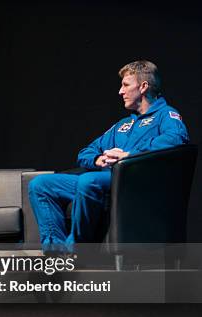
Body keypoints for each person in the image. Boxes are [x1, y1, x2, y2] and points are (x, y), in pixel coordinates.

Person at [28, 60, 189, 253]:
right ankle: (55, 252)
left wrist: (129, 155)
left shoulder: (167, 115)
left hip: (136, 184)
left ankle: (76, 250)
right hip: (107, 180)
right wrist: (98, 160)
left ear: (143, 86)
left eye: (126, 85)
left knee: (88, 181)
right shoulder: (123, 125)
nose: (120, 91)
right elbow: (86, 152)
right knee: (41, 185)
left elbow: (176, 140)